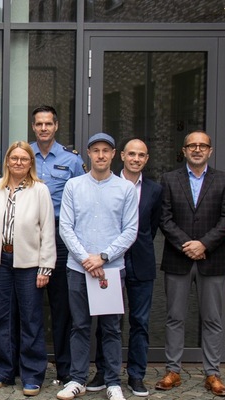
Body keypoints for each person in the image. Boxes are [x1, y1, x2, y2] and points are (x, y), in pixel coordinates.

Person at [56, 133, 138, 400]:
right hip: (78, 269)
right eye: (96, 150)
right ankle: (77, 379)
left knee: (111, 328)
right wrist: (86, 259)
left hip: (111, 270)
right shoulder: (74, 185)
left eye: (106, 150)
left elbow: (130, 230)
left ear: (114, 154)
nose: (101, 155)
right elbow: (65, 227)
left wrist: (103, 257)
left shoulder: (125, 189)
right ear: (89, 154)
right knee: (79, 325)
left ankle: (112, 382)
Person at [155, 130, 225, 398]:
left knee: (213, 319)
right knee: (174, 318)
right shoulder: (169, 179)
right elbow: (164, 218)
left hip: (212, 259)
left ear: (210, 151)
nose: (197, 149)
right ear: (184, 150)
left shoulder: (224, 180)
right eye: (192, 145)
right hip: (178, 258)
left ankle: (213, 373)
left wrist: (204, 244)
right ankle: (173, 371)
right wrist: (188, 245)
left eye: (202, 146)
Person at [0, 141, 55, 396]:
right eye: (14, 158)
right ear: (7, 161)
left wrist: (46, 267)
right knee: (2, 318)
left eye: (24, 159)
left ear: (30, 163)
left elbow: (48, 231)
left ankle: (32, 374)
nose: (18, 162)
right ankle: (4, 370)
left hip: (29, 263)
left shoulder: (40, 190)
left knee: (30, 319)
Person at [86, 139, 162, 397]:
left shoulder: (154, 190)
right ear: (122, 156)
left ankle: (136, 375)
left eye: (141, 155)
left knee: (140, 321)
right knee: (108, 320)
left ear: (146, 159)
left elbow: (150, 227)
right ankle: (104, 371)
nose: (136, 159)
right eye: (131, 154)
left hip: (141, 262)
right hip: (108, 262)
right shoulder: (108, 184)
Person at [29, 105, 85, 384]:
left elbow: (81, 201)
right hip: (29, 236)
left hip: (60, 237)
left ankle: (65, 369)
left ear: (56, 125)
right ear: (33, 127)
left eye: (48, 124)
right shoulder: (24, 155)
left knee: (61, 307)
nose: (43, 128)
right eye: (39, 124)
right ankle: (32, 367)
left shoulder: (72, 160)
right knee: (31, 307)